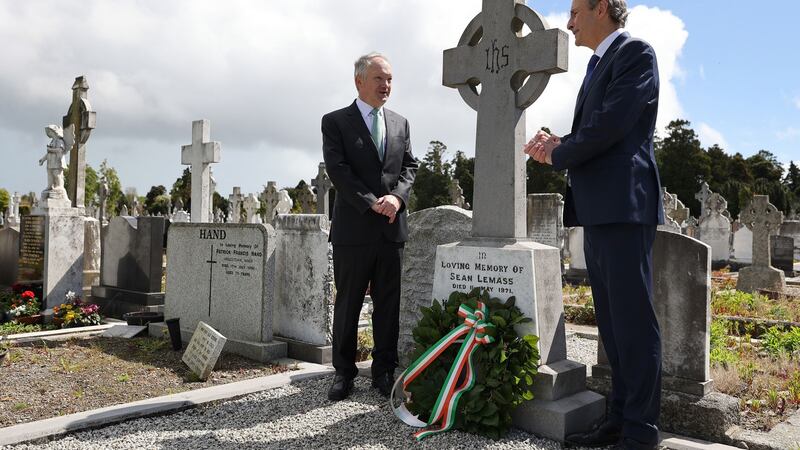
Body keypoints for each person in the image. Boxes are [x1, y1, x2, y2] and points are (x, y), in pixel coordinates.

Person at [524, 1, 663, 449]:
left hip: (624, 206)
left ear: (603, 7)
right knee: (612, 323)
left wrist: (558, 154)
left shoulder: (635, 54)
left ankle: (641, 434)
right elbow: (598, 131)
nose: (569, 22)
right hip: (601, 208)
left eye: (576, 11)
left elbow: (612, 126)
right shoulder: (599, 65)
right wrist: (560, 141)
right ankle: (619, 420)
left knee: (633, 324)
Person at [321, 52, 418, 401]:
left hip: (391, 228)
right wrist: (371, 201)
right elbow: (339, 170)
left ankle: (384, 371)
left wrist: (397, 199)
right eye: (379, 78)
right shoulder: (335, 122)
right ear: (359, 81)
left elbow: (409, 167)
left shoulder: (400, 123)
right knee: (348, 302)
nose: (386, 85)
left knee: (388, 303)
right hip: (354, 229)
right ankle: (343, 373)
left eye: (390, 79)